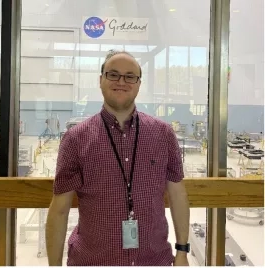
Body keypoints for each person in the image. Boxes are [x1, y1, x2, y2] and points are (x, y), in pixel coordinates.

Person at [45, 50, 190, 266]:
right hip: (93, 260)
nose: (121, 82)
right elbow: (59, 209)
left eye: (130, 76)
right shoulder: (76, 139)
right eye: (113, 74)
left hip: (153, 259)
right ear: (100, 80)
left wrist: (182, 251)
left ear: (139, 84)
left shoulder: (163, 134)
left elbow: (177, 195)